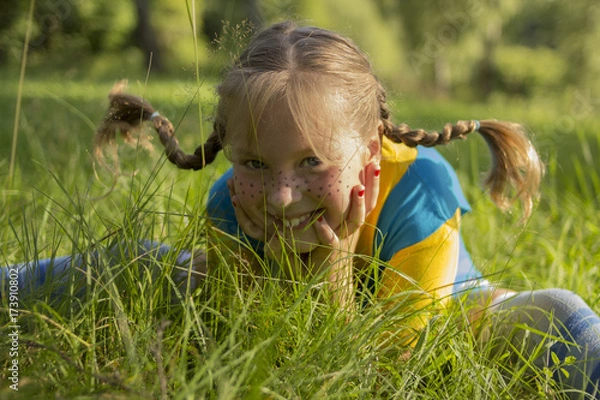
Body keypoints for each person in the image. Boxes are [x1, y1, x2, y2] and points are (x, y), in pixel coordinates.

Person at [4, 21, 600, 398]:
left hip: (443, 320)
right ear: (233, 156)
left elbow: (388, 371)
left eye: (313, 162)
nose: (284, 195)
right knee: (146, 265)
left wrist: (336, 274)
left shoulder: (421, 188)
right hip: (295, 304)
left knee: (549, 313)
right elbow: (246, 347)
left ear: (370, 151)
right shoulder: (229, 204)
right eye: (257, 164)